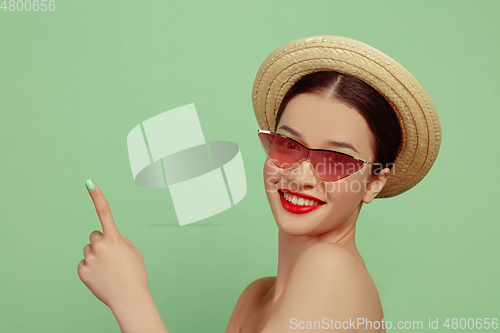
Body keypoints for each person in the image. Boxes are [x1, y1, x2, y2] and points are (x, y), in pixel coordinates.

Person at [77, 35, 441, 333]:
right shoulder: (256, 296)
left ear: (375, 181)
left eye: (336, 159)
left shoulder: (332, 270)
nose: (300, 176)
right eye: (289, 144)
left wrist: (128, 295)